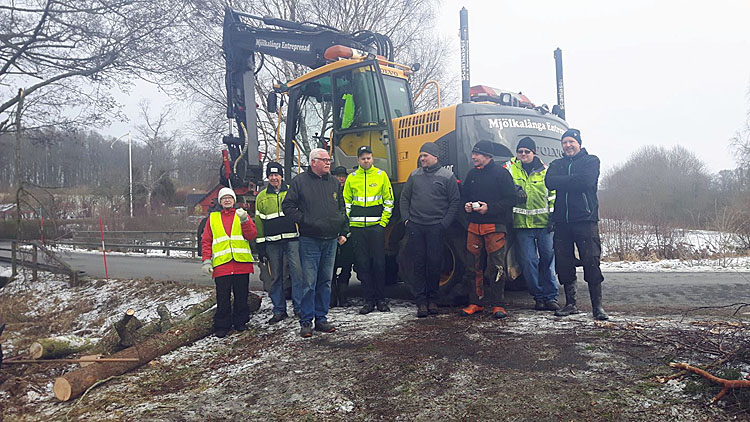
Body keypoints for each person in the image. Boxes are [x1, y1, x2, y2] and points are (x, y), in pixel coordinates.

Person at [282, 148, 348, 338]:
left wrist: (342, 229)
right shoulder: (299, 182)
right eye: (325, 160)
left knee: (325, 281)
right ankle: (306, 322)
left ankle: (321, 319)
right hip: (309, 240)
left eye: (329, 160)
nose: (329, 163)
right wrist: (305, 221)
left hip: (331, 240)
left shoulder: (334, 183)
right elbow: (288, 206)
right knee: (309, 282)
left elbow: (341, 208)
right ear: (313, 162)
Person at [545, 128, 609, 320]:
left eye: (571, 142)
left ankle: (597, 307)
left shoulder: (591, 161)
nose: (568, 145)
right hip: (561, 221)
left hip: (585, 219)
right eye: (564, 142)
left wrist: (563, 182)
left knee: (591, 261)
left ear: (579, 143)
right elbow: (549, 182)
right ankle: (570, 304)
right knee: (564, 263)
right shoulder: (557, 163)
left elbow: (586, 182)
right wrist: (571, 180)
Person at [460, 140, 521, 319]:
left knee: (497, 267)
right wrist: (467, 206)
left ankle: (498, 304)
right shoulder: (471, 174)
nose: (473, 157)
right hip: (473, 227)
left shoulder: (502, 174)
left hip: (495, 226)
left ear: (487, 156)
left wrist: (490, 208)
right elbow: (464, 197)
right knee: (473, 267)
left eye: (477, 154)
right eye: (473, 153)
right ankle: (475, 302)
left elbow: (511, 199)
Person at [400, 142, 460, 317]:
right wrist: (406, 220)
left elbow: (454, 202)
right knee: (418, 263)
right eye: (421, 155)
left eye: (425, 155)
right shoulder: (414, 175)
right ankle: (421, 301)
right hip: (416, 226)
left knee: (435, 263)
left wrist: (444, 224)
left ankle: (433, 300)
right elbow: (404, 198)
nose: (422, 158)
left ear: (435, 157)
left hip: (436, 227)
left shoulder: (447, 176)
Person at [504, 137, 560, 311]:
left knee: (548, 260)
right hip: (521, 225)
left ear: (533, 153)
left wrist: (553, 217)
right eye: (520, 151)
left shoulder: (546, 171)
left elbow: (553, 195)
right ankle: (538, 297)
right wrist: (514, 190)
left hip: (544, 224)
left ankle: (551, 297)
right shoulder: (509, 168)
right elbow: (500, 183)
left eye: (526, 151)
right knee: (529, 262)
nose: (523, 154)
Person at [343, 145, 395, 315]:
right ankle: (368, 300)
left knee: (379, 264)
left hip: (376, 228)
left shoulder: (381, 176)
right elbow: (346, 203)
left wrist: (383, 224)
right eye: (363, 158)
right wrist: (348, 225)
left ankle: (381, 299)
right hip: (357, 229)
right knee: (362, 265)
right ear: (358, 160)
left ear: (372, 159)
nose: (366, 160)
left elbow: (389, 201)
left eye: (369, 157)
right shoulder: (351, 178)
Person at [201, 187, 257, 338]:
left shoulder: (241, 215)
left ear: (234, 200)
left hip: (241, 263)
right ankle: (222, 325)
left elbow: (251, 235)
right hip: (222, 265)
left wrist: (245, 220)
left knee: (241, 295)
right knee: (223, 297)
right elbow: (206, 241)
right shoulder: (212, 218)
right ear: (220, 201)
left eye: (230, 197)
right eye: (224, 198)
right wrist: (206, 260)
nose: (227, 200)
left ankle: (241, 322)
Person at [255, 162, 303, 324]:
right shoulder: (261, 197)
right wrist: (260, 245)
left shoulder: (291, 191)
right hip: (272, 243)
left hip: (293, 240)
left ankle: (299, 307)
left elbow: (300, 213)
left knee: (297, 274)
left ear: (282, 176)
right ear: (267, 177)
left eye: (276, 175)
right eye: (271, 175)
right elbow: (259, 222)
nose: (274, 178)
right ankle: (279, 310)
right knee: (275, 277)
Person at [331, 165, 354, 307]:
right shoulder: (329, 193)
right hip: (332, 235)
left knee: (347, 266)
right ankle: (332, 297)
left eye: (343, 176)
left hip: (348, 235)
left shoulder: (350, 192)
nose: (341, 178)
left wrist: (345, 233)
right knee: (330, 268)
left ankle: (343, 296)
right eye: (338, 176)